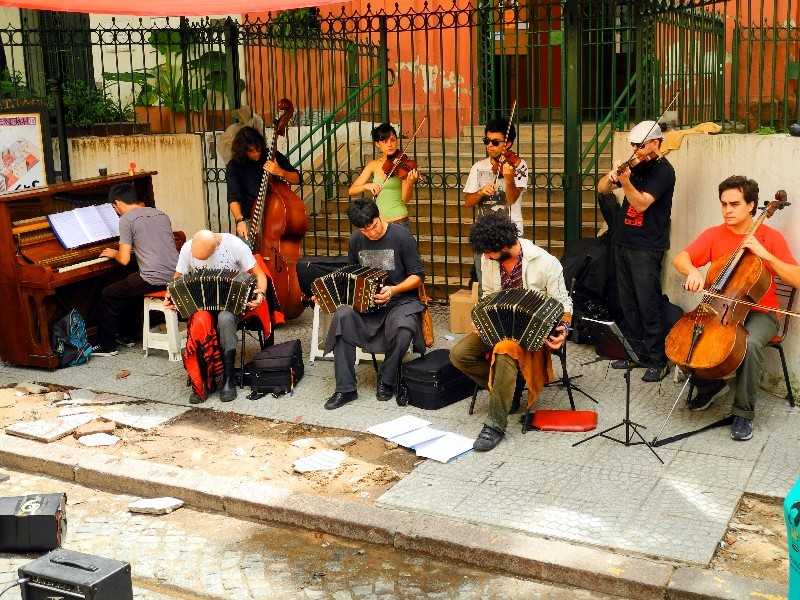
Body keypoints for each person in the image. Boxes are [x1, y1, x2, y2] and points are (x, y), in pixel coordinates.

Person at [673, 175, 800, 441]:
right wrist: (693, 271)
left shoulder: (769, 237)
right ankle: (710, 385)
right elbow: (681, 258)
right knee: (689, 334)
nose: (727, 210)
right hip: (721, 308)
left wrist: (765, 255)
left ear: (752, 205)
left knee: (749, 342)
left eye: (734, 204)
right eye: (723, 204)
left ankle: (743, 413)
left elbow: (796, 278)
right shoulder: (714, 234)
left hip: (762, 314)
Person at [450, 213, 572, 452]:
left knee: (506, 350)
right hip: (497, 328)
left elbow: (564, 303)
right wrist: (480, 317)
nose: (485, 256)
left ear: (505, 246)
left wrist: (563, 329)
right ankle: (509, 385)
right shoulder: (489, 259)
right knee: (459, 354)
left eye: (489, 252)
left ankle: (495, 424)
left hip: (531, 334)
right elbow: (486, 294)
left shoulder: (545, 262)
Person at [320, 198, 426, 410]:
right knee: (342, 316)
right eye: (365, 230)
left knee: (404, 328)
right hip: (367, 304)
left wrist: (393, 289)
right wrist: (326, 295)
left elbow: (418, 275)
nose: (372, 233)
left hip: (399, 300)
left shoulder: (401, 236)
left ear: (380, 216)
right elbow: (351, 277)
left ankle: (386, 379)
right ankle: (345, 388)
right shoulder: (355, 240)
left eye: (374, 226)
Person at [597, 119, 675, 383]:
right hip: (623, 241)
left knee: (648, 302)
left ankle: (657, 359)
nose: (636, 151)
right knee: (627, 301)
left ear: (655, 143)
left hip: (647, 246)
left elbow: (641, 204)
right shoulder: (635, 166)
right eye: (633, 145)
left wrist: (627, 182)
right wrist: (612, 176)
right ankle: (636, 353)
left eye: (640, 146)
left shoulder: (664, 171)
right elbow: (601, 189)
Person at [165, 230, 269, 404]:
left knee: (225, 318)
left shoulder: (235, 245)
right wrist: (170, 296)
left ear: (217, 247)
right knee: (200, 320)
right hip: (203, 305)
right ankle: (204, 380)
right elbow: (178, 279)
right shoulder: (187, 248)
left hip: (232, 304)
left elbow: (259, 274)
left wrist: (261, 295)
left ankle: (228, 378)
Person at [93, 183, 178, 356]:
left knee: (108, 294)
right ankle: (127, 335)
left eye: (114, 208)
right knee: (131, 286)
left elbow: (123, 260)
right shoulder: (160, 213)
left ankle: (107, 346)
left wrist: (115, 252)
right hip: (176, 274)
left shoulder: (126, 219)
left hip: (154, 278)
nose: (116, 212)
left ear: (118, 203)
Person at [463, 117, 529, 292]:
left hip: (511, 231)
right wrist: (480, 192)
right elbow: (468, 202)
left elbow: (512, 199)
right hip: (484, 232)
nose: (489, 146)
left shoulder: (519, 165)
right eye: (487, 141)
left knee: (513, 282)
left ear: (508, 144)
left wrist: (509, 180)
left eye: (495, 142)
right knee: (485, 285)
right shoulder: (478, 167)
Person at [226, 125, 300, 239]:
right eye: (251, 151)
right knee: (247, 253)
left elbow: (297, 179)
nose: (256, 153)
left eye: (258, 149)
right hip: (249, 217)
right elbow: (233, 197)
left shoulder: (271, 155)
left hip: (274, 217)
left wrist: (280, 171)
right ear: (242, 150)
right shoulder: (234, 165)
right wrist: (239, 220)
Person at [348, 123, 419, 230]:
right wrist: (366, 186)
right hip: (378, 223)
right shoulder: (373, 165)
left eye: (392, 140)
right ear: (377, 144)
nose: (390, 144)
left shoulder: (402, 165)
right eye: (385, 141)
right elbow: (351, 190)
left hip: (399, 221)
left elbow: (405, 199)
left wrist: (410, 183)